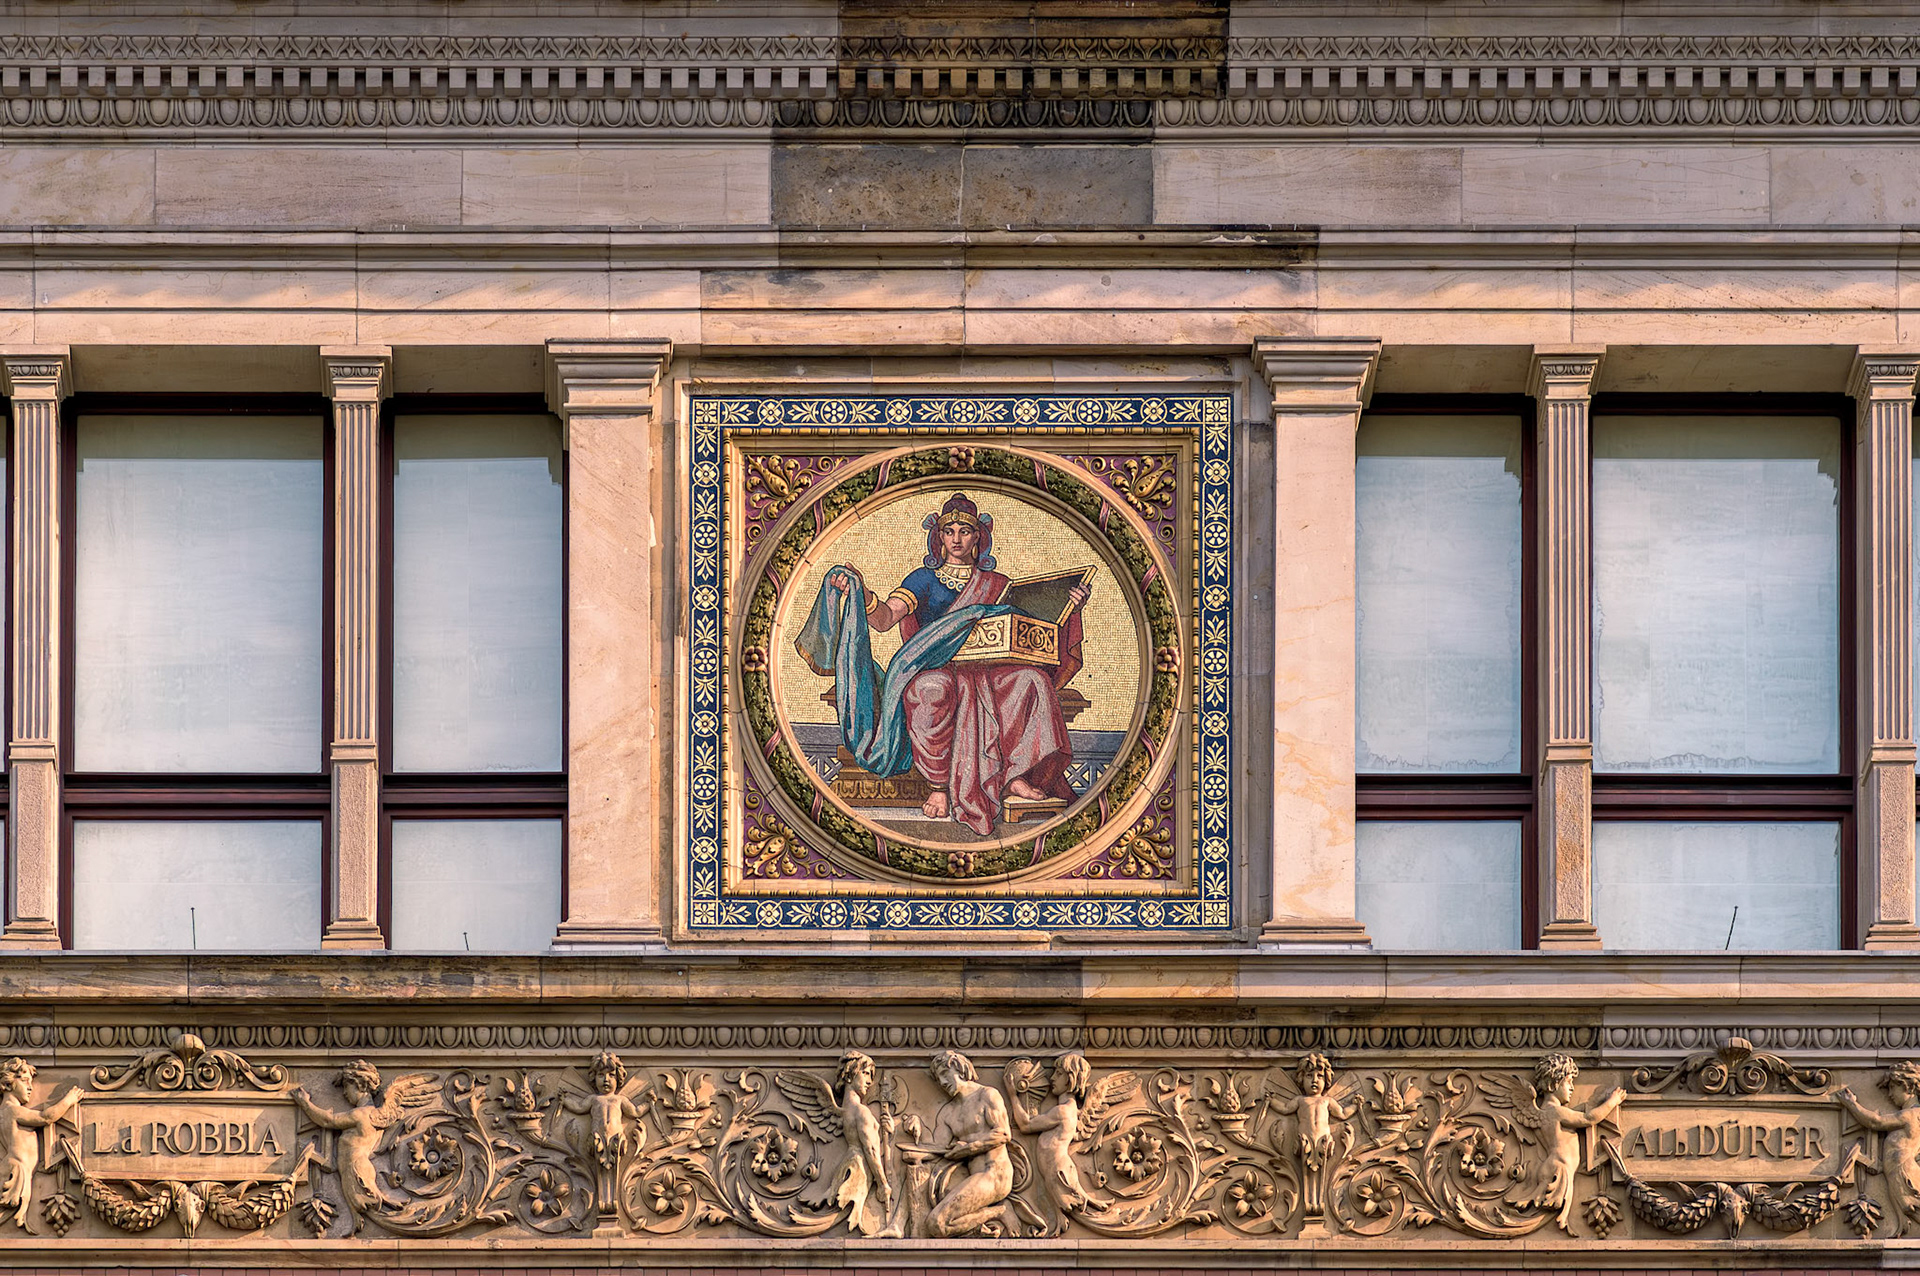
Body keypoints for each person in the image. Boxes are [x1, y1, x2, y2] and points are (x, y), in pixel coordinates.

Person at [814, 492, 1089, 836]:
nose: (957, 538)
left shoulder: (998, 585)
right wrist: (864, 592)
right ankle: (939, 785)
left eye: (965, 531)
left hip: (988, 671)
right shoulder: (923, 579)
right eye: (950, 531)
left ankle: (1014, 777)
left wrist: (1071, 607)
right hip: (935, 665)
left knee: (1032, 679)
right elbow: (885, 620)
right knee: (933, 689)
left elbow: (1031, 632)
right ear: (939, 537)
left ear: (978, 537)